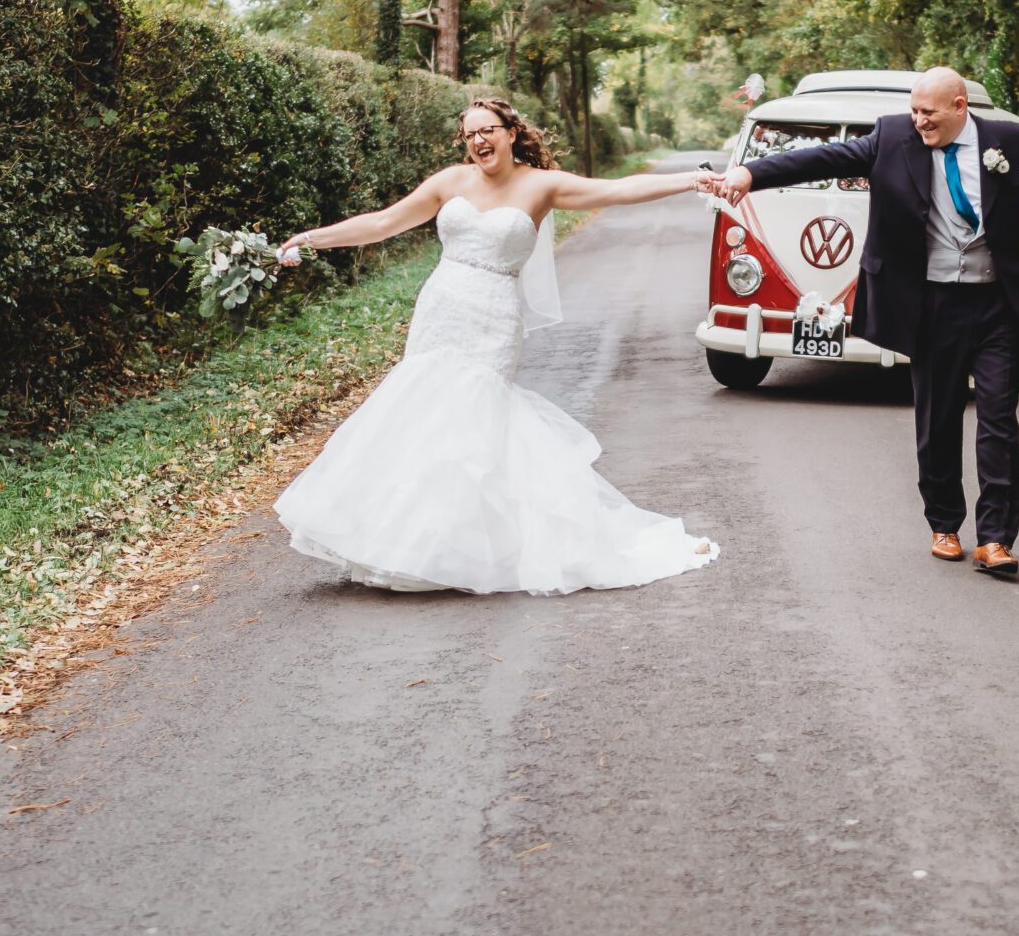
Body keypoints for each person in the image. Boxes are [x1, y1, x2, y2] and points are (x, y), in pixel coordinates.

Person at [273, 98, 719, 596]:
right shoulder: (450, 182)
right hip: (442, 309)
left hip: (494, 318)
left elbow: (617, 190)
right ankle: (414, 544)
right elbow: (382, 224)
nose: (478, 141)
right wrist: (310, 239)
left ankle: (469, 549)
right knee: (424, 417)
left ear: (511, 133)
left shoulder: (541, 185)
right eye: (469, 135)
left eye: (487, 130)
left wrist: (691, 179)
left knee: (475, 422)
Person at [701, 68, 1019, 577]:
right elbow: (824, 157)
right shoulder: (894, 136)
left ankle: (996, 539)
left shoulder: (1011, 142)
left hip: (997, 305)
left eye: (929, 113)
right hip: (934, 306)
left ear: (961, 107)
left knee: (999, 421)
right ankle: (944, 524)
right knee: (937, 419)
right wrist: (750, 174)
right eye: (914, 112)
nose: (918, 122)